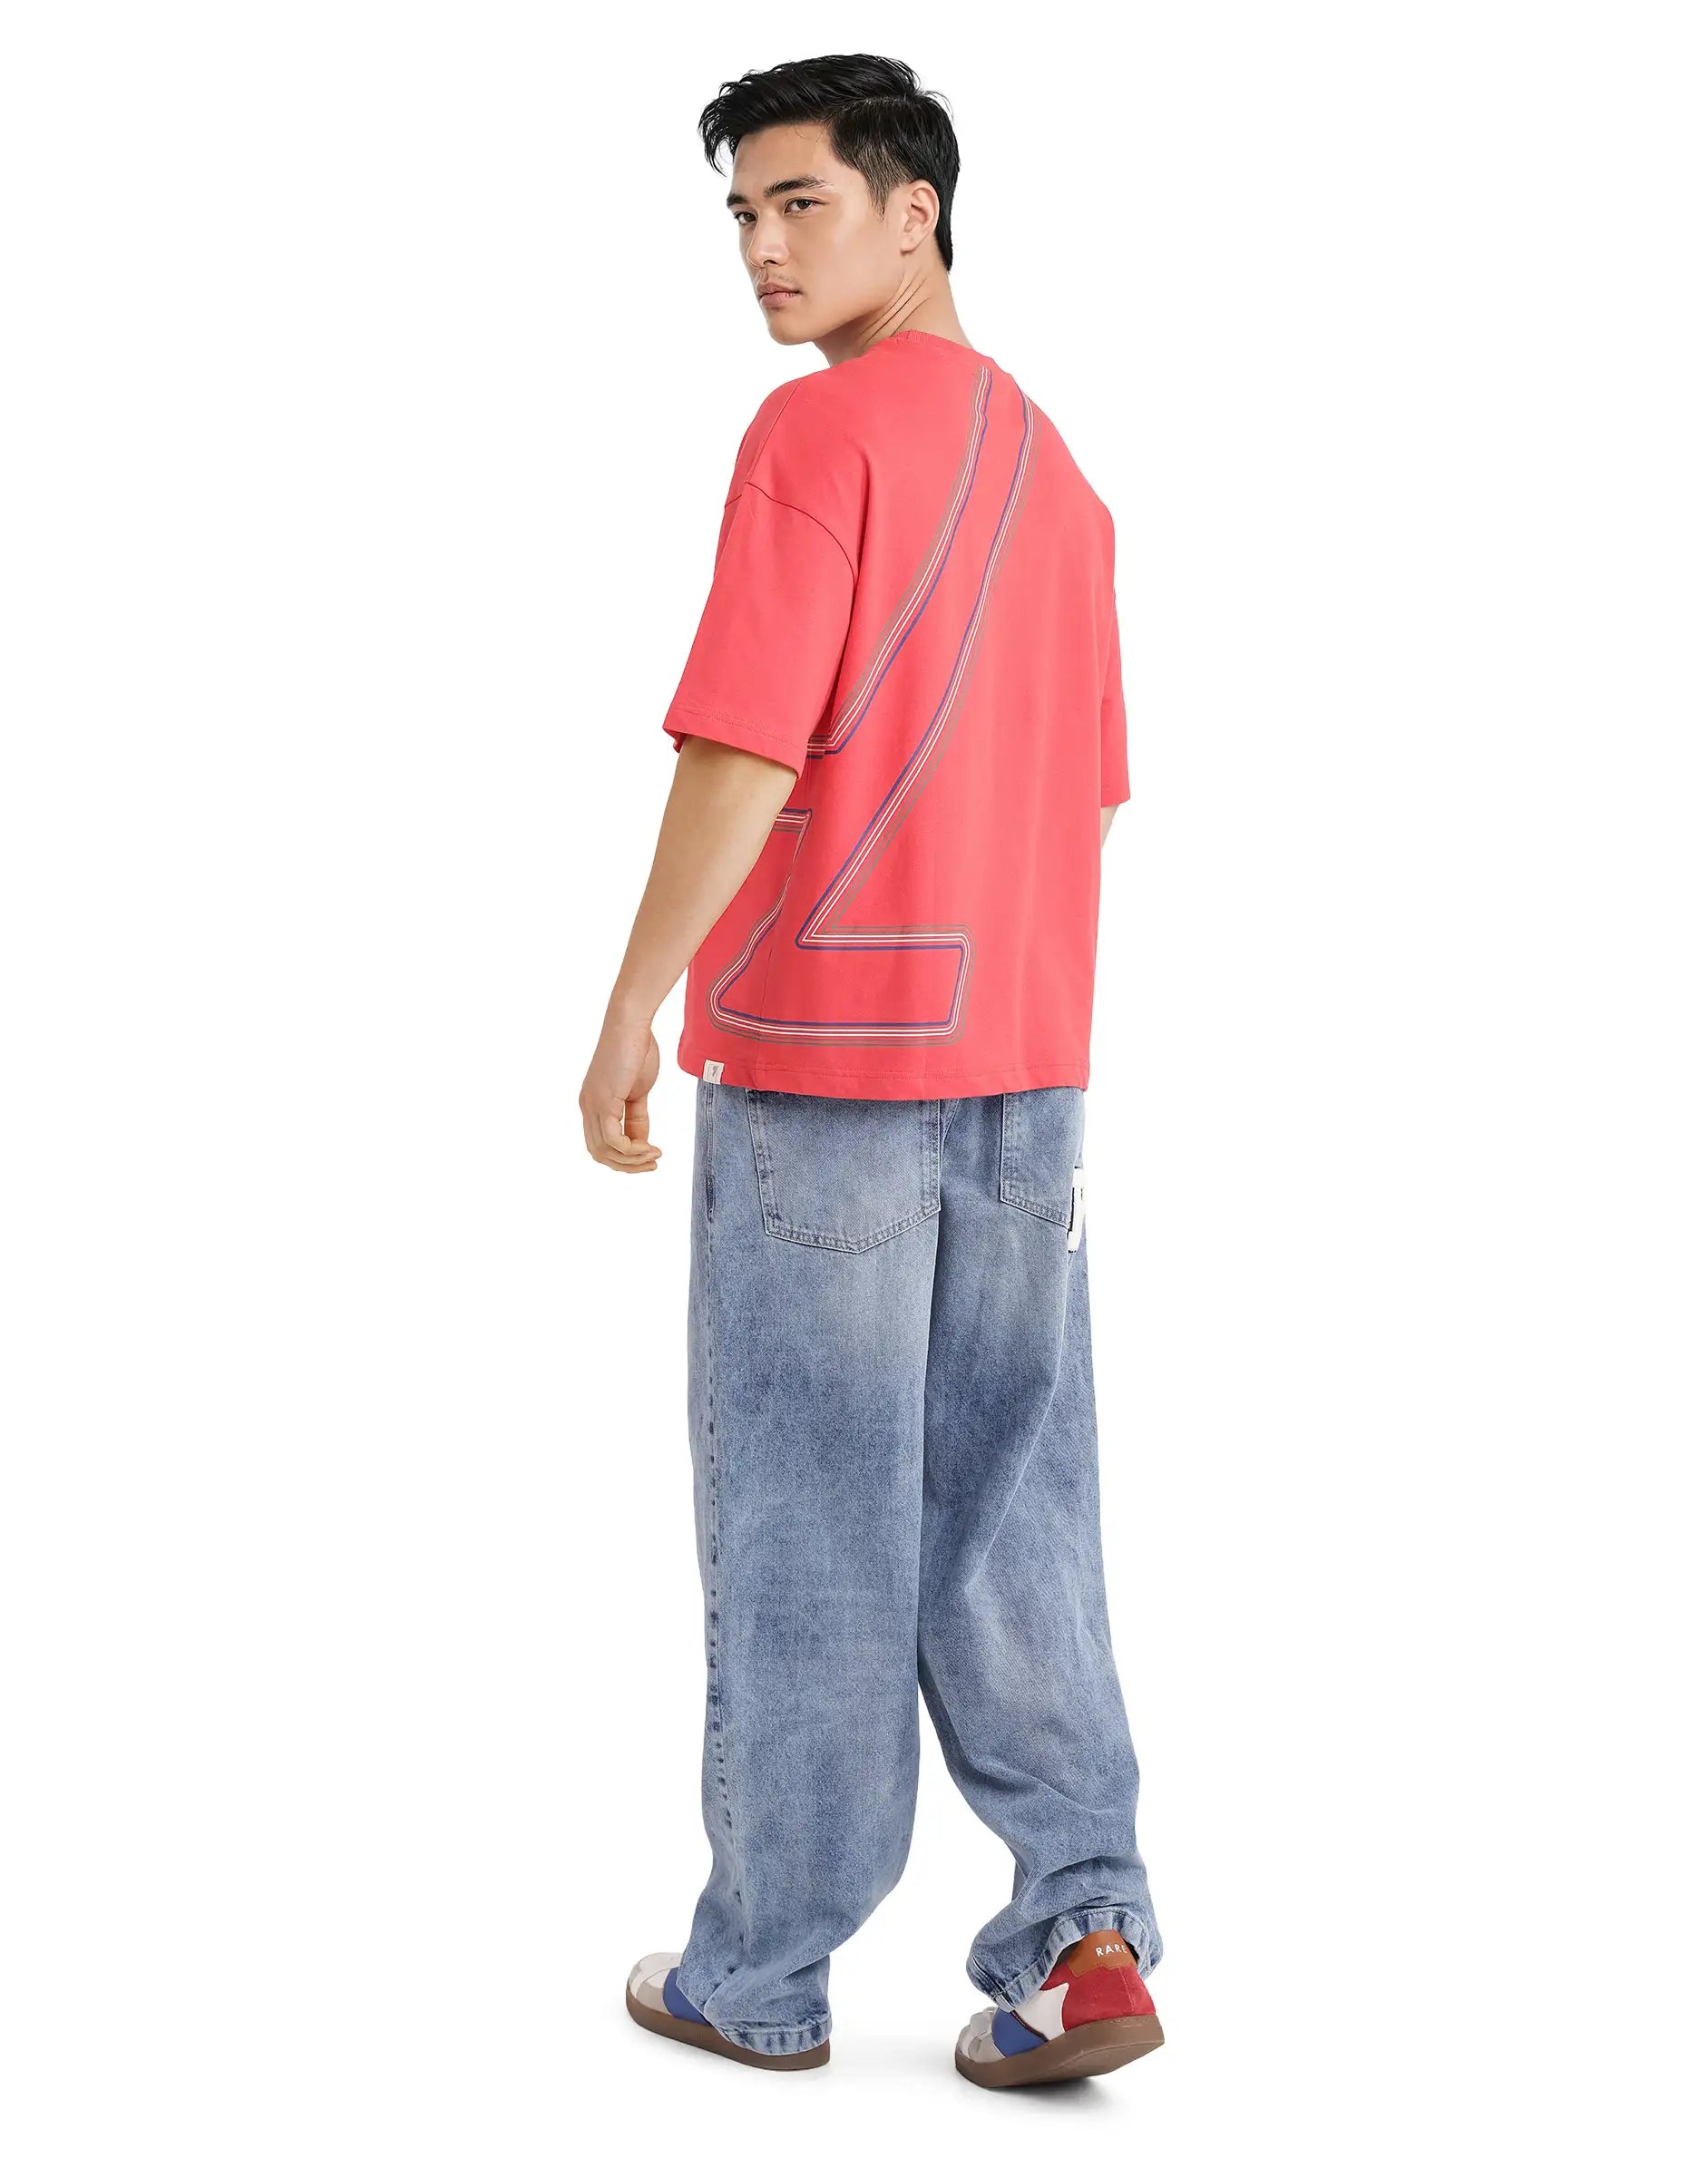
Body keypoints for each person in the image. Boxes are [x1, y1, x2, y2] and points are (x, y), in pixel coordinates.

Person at [579, 54, 1162, 2088]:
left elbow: (744, 741)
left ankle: (759, 1968)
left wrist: (634, 997)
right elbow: (1091, 791)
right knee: (1015, 1507)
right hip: (1028, 1074)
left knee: (808, 1511)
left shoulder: (815, 436)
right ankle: (1085, 1926)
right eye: (742, 213)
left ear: (917, 211)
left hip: (825, 1059)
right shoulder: (1060, 475)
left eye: (800, 202)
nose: (762, 246)